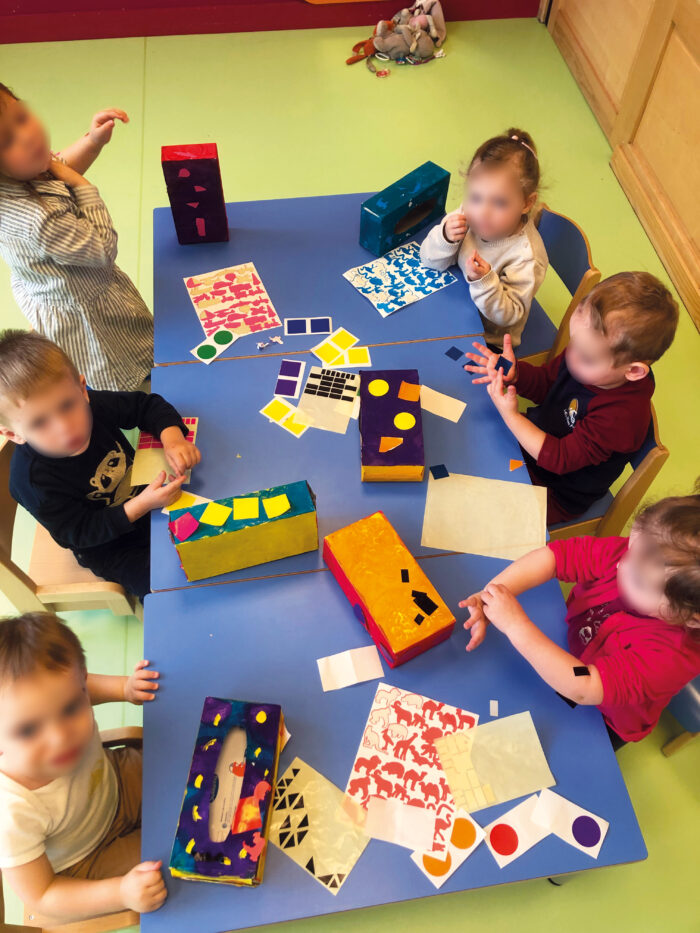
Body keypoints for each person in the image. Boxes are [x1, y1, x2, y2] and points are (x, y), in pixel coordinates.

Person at [460, 489, 700, 749]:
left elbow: (584, 685)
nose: (621, 565)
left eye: (639, 581)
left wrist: (514, 624)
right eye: (629, 550)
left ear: (693, 618)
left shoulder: (670, 657)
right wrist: (491, 594)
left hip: (604, 718)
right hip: (567, 651)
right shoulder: (641, 558)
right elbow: (555, 557)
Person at [0, 330, 200, 600]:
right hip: (111, 547)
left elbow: (145, 406)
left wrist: (172, 439)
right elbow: (79, 533)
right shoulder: (32, 482)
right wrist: (141, 504)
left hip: (151, 499)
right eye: (39, 423)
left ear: (83, 389)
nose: (64, 427)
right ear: (13, 434)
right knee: (168, 591)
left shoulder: (93, 406)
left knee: (212, 536)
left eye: (67, 405)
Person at [464, 272, 678, 524]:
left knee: (481, 515)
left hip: (556, 491)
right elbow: (547, 384)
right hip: (533, 445)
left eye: (586, 358)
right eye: (573, 343)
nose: (571, 357)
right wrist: (515, 373)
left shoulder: (621, 418)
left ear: (633, 371)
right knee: (466, 443)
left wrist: (510, 416)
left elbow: (559, 459)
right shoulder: (587, 354)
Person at [0, 611, 166, 923]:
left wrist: (124, 688)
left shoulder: (62, 693)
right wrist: (121, 893)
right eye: (28, 730)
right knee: (176, 861)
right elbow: (42, 895)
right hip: (88, 860)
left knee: (190, 769)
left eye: (70, 708)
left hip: (117, 781)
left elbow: (81, 683)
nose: (60, 737)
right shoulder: (10, 813)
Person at [0, 81, 153, 391]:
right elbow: (102, 250)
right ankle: (130, 397)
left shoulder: (18, 172)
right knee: (119, 373)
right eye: (7, 140)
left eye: (22, 117)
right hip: (88, 314)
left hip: (50, 288)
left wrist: (92, 142)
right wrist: (83, 186)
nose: (27, 136)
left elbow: (56, 167)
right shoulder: (39, 219)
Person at [420, 127, 547, 351]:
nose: (483, 212)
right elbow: (429, 261)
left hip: (487, 338)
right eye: (476, 197)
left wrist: (485, 281)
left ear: (527, 203)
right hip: (453, 304)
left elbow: (509, 316)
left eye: (499, 203)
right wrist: (445, 237)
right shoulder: (470, 213)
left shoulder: (527, 257)